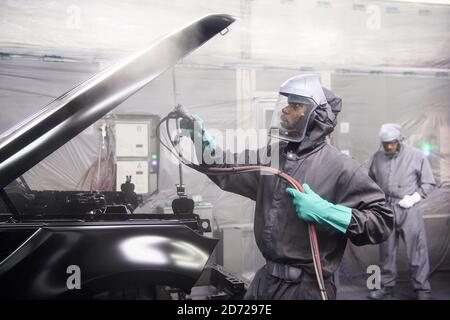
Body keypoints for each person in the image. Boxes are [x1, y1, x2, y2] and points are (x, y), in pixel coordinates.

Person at [181, 74, 393, 300]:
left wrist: (328, 213)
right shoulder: (273, 157)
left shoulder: (342, 168)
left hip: (307, 289)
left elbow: (381, 221)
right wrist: (200, 138)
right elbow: (227, 170)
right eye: (287, 104)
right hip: (265, 283)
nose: (285, 110)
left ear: (316, 115)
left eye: (295, 105)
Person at [368, 124, 436, 300]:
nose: (389, 147)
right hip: (386, 209)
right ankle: (386, 288)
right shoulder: (377, 158)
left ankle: (422, 290)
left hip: (409, 208)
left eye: (393, 143)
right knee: (386, 251)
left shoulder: (416, 156)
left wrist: (414, 197)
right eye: (386, 144)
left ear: (400, 140)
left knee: (417, 250)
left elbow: (429, 183)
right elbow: (370, 183)